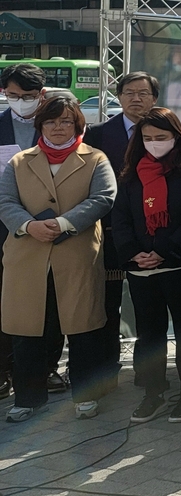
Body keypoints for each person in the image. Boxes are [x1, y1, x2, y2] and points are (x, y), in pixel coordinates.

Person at [0, 97, 117, 422]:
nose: (58, 127)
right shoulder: (20, 161)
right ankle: (27, 399)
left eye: (66, 121)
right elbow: (4, 199)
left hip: (76, 255)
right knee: (27, 330)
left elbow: (103, 198)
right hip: (27, 255)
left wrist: (65, 223)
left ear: (78, 124)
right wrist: (28, 225)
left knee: (82, 328)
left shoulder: (95, 158)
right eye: (51, 121)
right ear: (41, 125)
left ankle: (85, 395)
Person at [112, 107, 181, 424]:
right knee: (149, 334)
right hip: (142, 269)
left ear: (176, 136)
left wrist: (161, 250)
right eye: (148, 138)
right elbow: (121, 217)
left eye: (161, 137)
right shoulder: (133, 171)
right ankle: (153, 392)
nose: (154, 143)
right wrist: (134, 253)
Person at [84, 71, 161, 398]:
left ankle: (150, 374)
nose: (136, 99)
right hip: (111, 233)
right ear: (119, 96)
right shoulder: (99, 134)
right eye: (129, 92)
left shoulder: (165, 131)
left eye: (143, 93)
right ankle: (105, 373)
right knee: (107, 304)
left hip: (155, 235)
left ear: (154, 98)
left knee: (150, 308)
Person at [0, 63, 47, 398]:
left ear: (41, 95)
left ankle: (44, 370)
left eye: (27, 96)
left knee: (45, 300)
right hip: (2, 225)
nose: (19, 102)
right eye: (13, 96)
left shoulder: (56, 125)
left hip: (44, 225)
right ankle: (3, 370)